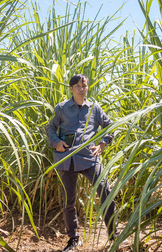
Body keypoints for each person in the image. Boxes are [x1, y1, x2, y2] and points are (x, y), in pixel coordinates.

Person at [46, 74, 118, 252]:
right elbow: (50, 128)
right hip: (66, 159)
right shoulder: (62, 108)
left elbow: (110, 126)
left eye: (84, 85)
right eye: (77, 85)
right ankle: (73, 239)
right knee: (68, 201)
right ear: (71, 88)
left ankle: (114, 235)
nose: (81, 88)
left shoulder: (94, 108)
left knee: (105, 192)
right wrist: (57, 142)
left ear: (87, 87)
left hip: (89, 158)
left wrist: (103, 144)